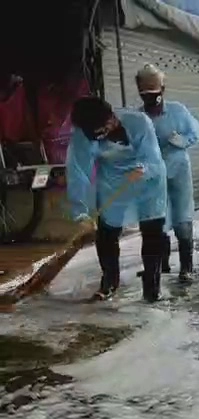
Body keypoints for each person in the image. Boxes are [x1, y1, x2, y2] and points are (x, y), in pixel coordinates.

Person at [66, 96, 168, 302]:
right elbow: (78, 172)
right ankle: (110, 282)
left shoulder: (139, 122)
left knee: (152, 231)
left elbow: (153, 158)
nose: (96, 137)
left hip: (148, 182)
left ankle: (152, 285)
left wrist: (144, 170)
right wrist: (81, 213)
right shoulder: (83, 134)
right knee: (106, 233)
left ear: (111, 119)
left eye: (100, 130)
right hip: (113, 182)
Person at [135, 64, 199, 283]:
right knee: (157, 219)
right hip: (153, 176)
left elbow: (196, 132)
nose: (150, 100)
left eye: (154, 95)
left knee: (182, 217)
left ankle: (187, 268)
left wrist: (182, 141)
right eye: (145, 96)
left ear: (162, 90)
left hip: (178, 171)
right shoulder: (138, 118)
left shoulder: (177, 111)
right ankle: (161, 266)